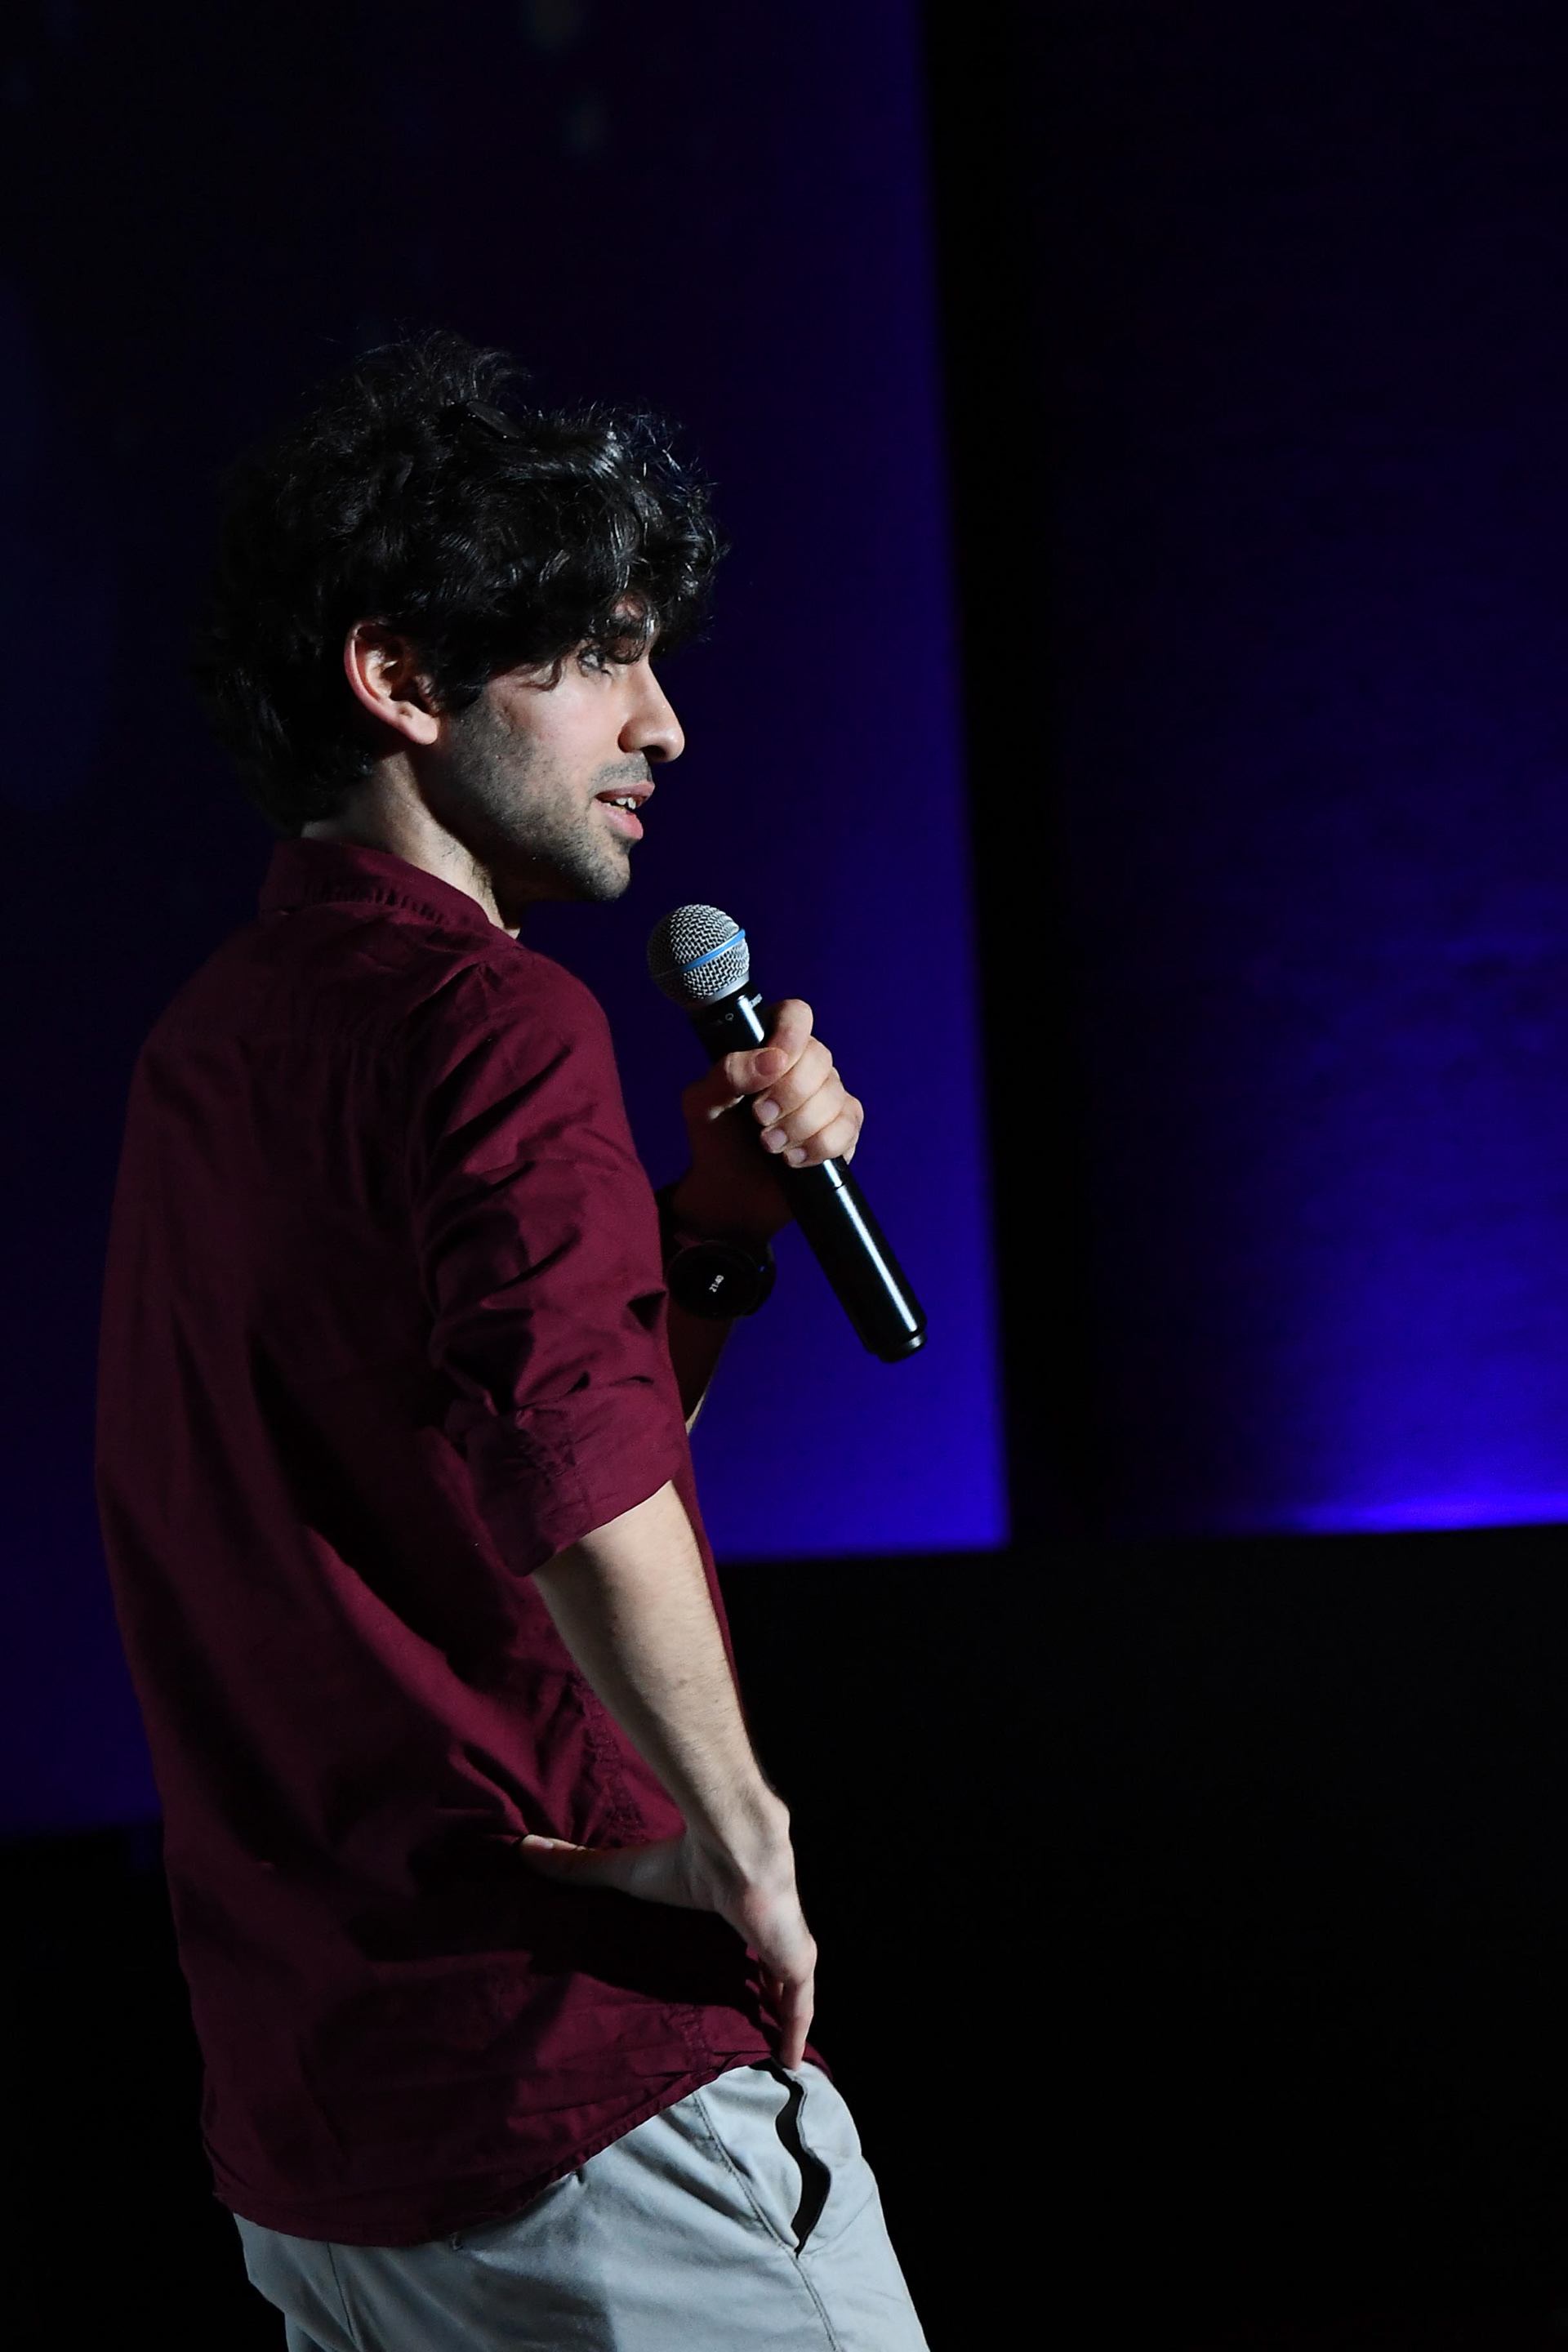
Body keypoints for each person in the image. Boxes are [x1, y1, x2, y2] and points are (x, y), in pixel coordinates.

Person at [95, 332, 928, 2352]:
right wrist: (740, 1836)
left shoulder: (214, 1044)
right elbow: (569, 1465)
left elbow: (480, 1452)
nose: (662, 722)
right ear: (401, 679)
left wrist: (710, 1238)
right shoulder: (498, 1019)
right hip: (585, 2093)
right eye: (598, 657)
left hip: (323, 2135)